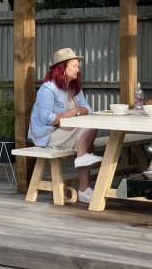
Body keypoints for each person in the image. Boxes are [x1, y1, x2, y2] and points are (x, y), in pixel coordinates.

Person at [28, 47, 101, 203]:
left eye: (78, 66)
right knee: (87, 134)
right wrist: (65, 118)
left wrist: (76, 111)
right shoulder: (47, 89)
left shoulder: (74, 88)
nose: (78, 69)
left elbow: (88, 110)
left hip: (68, 131)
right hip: (48, 135)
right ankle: (83, 188)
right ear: (62, 68)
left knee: (91, 127)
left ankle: (81, 161)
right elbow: (46, 118)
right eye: (74, 66)